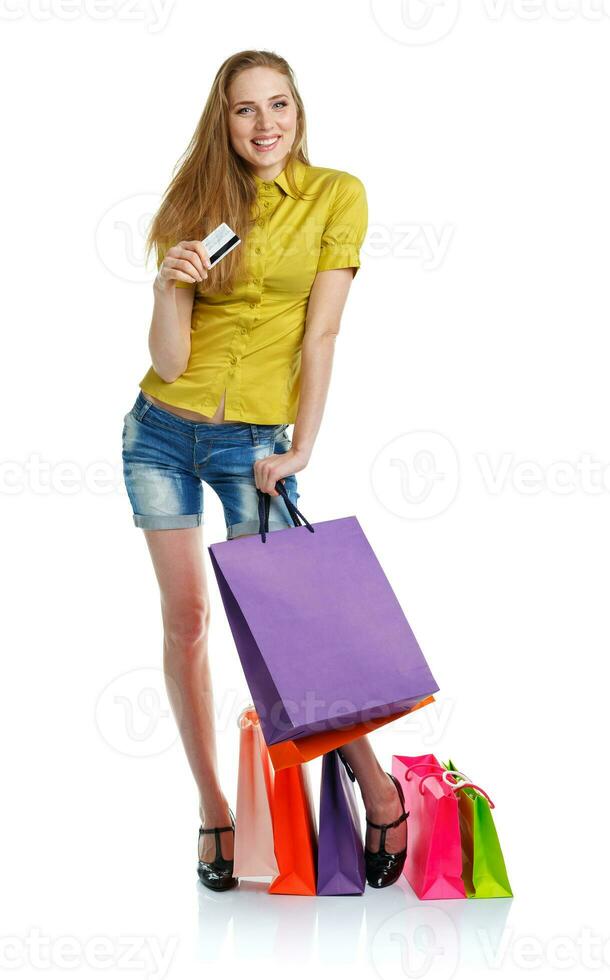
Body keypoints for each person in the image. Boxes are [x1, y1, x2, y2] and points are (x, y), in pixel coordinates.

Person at [121, 49, 407, 892]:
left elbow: (321, 337)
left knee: (289, 626)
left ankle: (375, 781)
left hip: (257, 443)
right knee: (188, 624)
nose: (265, 124)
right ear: (225, 120)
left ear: (298, 109)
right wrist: (170, 288)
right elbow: (170, 363)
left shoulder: (336, 196)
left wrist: (302, 446)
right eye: (246, 110)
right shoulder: (197, 206)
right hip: (159, 436)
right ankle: (214, 808)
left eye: (278, 104)